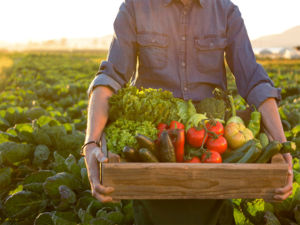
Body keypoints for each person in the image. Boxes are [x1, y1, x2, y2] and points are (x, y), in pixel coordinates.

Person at [83, 0, 293, 224]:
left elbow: (253, 81)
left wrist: (282, 147)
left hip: (212, 147)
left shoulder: (226, 11)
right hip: (153, 148)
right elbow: (110, 77)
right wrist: (91, 143)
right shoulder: (135, 7)